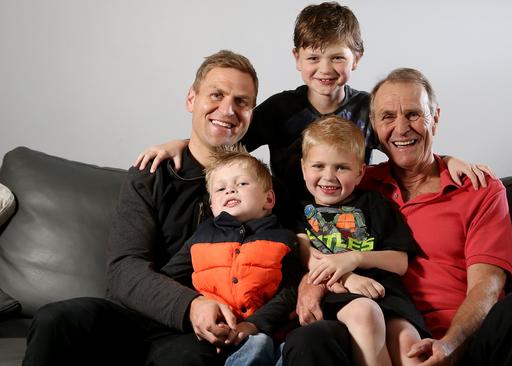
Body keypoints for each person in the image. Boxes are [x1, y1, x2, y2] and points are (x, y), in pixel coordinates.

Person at [282, 68, 512, 366]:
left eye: (414, 114)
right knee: (308, 339)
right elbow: (300, 227)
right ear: (375, 127)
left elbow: (488, 285)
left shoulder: (478, 188)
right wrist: (312, 282)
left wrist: (450, 345)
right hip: (380, 333)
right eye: (388, 117)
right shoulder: (357, 185)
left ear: (436, 119)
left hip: (465, 341)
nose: (402, 128)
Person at [22, 50, 262, 366]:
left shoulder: (258, 189)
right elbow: (124, 268)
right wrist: (191, 304)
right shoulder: (151, 173)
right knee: (56, 320)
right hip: (131, 315)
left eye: (242, 102)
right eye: (216, 94)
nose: (228, 109)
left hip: (192, 334)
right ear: (191, 99)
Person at [135, 2, 491, 200]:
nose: (325, 69)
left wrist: (447, 162)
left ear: (357, 58)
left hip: (351, 224)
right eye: (313, 58)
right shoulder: (278, 110)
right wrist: (181, 143)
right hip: (289, 223)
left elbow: (406, 147)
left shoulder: (369, 109)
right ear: (296, 58)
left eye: (337, 57)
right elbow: (225, 141)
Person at [295, 116, 429, 365]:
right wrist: (348, 277)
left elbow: (400, 262)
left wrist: (354, 258)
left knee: (409, 345)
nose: (329, 176)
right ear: (303, 168)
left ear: (360, 172)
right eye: (319, 166)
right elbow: (308, 256)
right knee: (366, 313)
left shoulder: (375, 204)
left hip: (387, 295)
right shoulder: (299, 212)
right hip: (340, 295)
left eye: (341, 167)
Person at [160, 145, 301, 366]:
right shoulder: (202, 236)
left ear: (269, 199)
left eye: (242, 183)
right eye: (220, 189)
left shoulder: (283, 238)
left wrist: (254, 325)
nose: (230, 191)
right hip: (212, 333)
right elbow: (167, 279)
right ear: (212, 205)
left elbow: (291, 291)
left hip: (264, 331)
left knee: (266, 345)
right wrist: (197, 310)